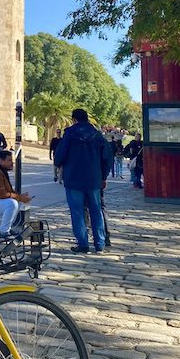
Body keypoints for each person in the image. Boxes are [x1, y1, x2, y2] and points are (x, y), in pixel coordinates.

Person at [54, 108, 111, 254]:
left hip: (74, 178)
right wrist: (104, 176)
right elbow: (107, 157)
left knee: (77, 212)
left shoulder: (69, 134)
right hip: (94, 178)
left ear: (74, 119)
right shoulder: (97, 135)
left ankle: (83, 243)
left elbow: (60, 155)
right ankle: (100, 243)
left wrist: (59, 164)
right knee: (96, 211)